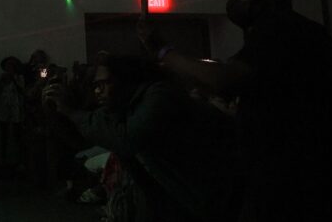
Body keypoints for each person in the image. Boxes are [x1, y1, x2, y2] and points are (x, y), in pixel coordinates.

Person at [140, 0, 332, 221]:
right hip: (282, 172)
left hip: (296, 177)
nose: (234, 2)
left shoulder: (284, 31)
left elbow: (224, 79)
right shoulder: (280, 33)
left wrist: (164, 51)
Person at [44, 53, 242, 222]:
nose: (98, 91)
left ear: (125, 79)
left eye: (105, 83)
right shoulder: (126, 107)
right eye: (96, 85)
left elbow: (126, 139)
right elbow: (88, 137)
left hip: (222, 191)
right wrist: (61, 112)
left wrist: (71, 111)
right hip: (188, 197)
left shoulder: (159, 94)